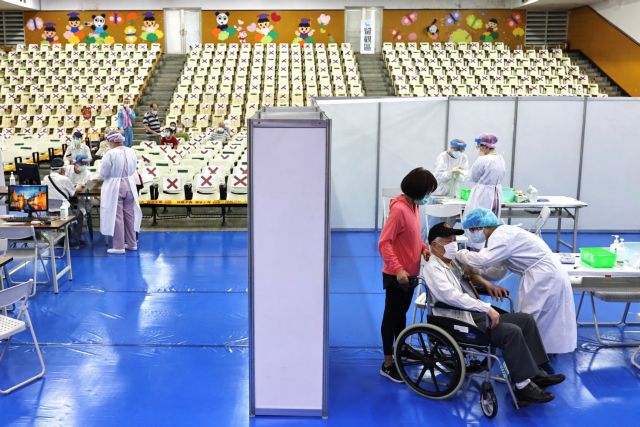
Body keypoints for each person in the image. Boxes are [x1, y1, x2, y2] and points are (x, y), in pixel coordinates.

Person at [423, 222, 565, 404]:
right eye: (448, 241)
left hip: (473, 314)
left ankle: (535, 372)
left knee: (526, 320)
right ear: (435, 245)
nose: (453, 244)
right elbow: (451, 297)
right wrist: (486, 307)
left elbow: (471, 275)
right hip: (458, 321)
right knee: (511, 332)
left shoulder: (452, 262)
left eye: (454, 239)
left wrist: (487, 285)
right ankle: (522, 386)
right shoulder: (433, 269)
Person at [456, 208, 577, 357]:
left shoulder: (501, 235)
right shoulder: (501, 236)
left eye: (472, 230)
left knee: (530, 318)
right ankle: (538, 355)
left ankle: (530, 358)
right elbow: (497, 272)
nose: (472, 234)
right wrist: (477, 273)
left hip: (544, 277)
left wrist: (459, 254)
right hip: (543, 274)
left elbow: (482, 260)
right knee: (540, 317)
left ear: (480, 227)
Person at [378, 167, 438, 383]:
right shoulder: (399, 210)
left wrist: (422, 247)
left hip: (410, 273)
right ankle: (387, 363)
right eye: (428, 191)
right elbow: (384, 243)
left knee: (401, 314)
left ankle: (401, 348)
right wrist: (398, 269)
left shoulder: (413, 206)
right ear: (418, 190)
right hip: (397, 276)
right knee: (391, 317)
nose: (428, 195)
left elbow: (413, 236)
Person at [100, 130, 142, 254]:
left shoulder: (110, 153)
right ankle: (132, 243)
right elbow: (134, 168)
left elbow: (104, 173)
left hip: (115, 186)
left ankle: (119, 246)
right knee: (130, 215)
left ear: (112, 141)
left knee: (116, 216)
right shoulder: (131, 151)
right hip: (130, 185)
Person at [427, 138, 469, 229]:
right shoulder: (442, 157)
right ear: (452, 147)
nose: (459, 152)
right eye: (457, 149)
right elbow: (439, 176)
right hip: (439, 192)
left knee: (450, 222)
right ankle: (431, 237)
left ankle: (447, 237)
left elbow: (465, 175)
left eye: (461, 150)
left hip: (453, 194)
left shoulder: (463, 157)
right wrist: (450, 173)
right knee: (435, 222)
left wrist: (459, 174)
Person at [43, 157, 85, 246]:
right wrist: (78, 188)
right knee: (79, 214)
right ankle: (77, 240)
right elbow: (73, 193)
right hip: (63, 212)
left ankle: (63, 239)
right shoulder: (64, 179)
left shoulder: (46, 178)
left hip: (49, 212)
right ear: (61, 169)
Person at [465, 133, 506, 219]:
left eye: (479, 146)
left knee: (480, 220)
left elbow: (473, 177)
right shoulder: (500, 159)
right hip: (496, 193)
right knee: (492, 220)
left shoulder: (482, 159)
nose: (479, 149)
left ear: (485, 147)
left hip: (483, 194)